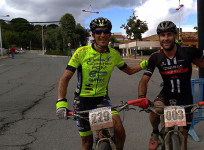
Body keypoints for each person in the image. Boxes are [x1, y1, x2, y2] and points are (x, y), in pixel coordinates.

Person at [56, 17, 148, 150]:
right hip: (82, 101)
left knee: (120, 131)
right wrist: (61, 102)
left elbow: (129, 71)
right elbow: (65, 79)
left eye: (106, 32)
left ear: (110, 34)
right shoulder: (81, 52)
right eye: (98, 32)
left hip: (102, 99)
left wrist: (145, 64)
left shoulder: (114, 55)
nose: (102, 35)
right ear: (93, 35)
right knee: (87, 142)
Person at [138, 21, 204, 150]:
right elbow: (144, 79)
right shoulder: (155, 57)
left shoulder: (187, 51)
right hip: (166, 95)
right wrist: (142, 97)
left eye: (169, 34)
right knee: (155, 110)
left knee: (183, 140)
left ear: (175, 36)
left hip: (185, 98)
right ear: (159, 37)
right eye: (162, 35)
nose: (166, 38)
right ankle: (155, 131)